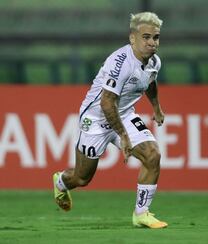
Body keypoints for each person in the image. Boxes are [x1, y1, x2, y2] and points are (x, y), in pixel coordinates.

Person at [52, 12, 167, 229]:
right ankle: (60, 182)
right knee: (82, 179)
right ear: (132, 38)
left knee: (153, 155)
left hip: (123, 114)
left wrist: (156, 107)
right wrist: (123, 136)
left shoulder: (154, 61)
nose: (152, 42)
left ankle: (141, 214)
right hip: (95, 119)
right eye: (146, 37)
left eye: (156, 37)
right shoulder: (120, 62)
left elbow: (150, 82)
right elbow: (106, 103)